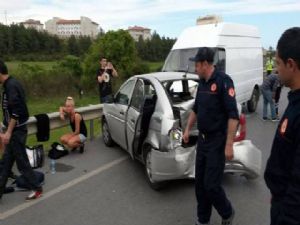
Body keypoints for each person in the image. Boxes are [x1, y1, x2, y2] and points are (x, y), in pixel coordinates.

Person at [183, 47, 239, 225]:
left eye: (197, 65)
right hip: (203, 140)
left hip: (217, 142)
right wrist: (187, 129)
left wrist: (229, 144)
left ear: (205, 64)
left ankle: (227, 212)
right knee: (200, 185)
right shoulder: (202, 84)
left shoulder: (223, 81)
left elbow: (233, 115)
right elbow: (196, 109)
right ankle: (203, 220)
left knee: (211, 185)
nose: (194, 69)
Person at [264, 27, 300, 225]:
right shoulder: (294, 101)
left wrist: (284, 212)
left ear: (291, 64)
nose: (276, 69)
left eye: (278, 63)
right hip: (281, 200)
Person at [0, 60, 42, 201]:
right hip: (15, 130)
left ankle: (36, 188)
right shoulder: (10, 84)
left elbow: (16, 111)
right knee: (6, 162)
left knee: (22, 162)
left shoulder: (11, 86)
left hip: (16, 131)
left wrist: (8, 132)